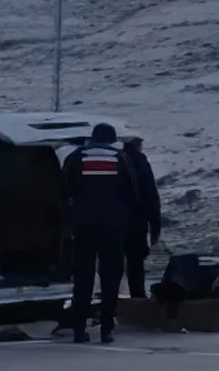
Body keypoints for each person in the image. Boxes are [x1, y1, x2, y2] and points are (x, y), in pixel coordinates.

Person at [63, 123, 140, 343]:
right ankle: (106, 327)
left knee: (83, 276)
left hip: (83, 226)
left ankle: (79, 328)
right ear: (111, 139)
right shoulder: (119, 158)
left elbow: (64, 190)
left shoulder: (76, 157)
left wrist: (68, 223)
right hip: (113, 226)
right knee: (111, 276)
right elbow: (131, 193)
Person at [121, 137, 161, 298]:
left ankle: (109, 298)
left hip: (113, 219)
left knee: (110, 262)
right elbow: (150, 194)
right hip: (136, 220)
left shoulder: (116, 160)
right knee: (135, 263)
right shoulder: (140, 161)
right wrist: (155, 225)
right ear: (138, 145)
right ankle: (137, 297)